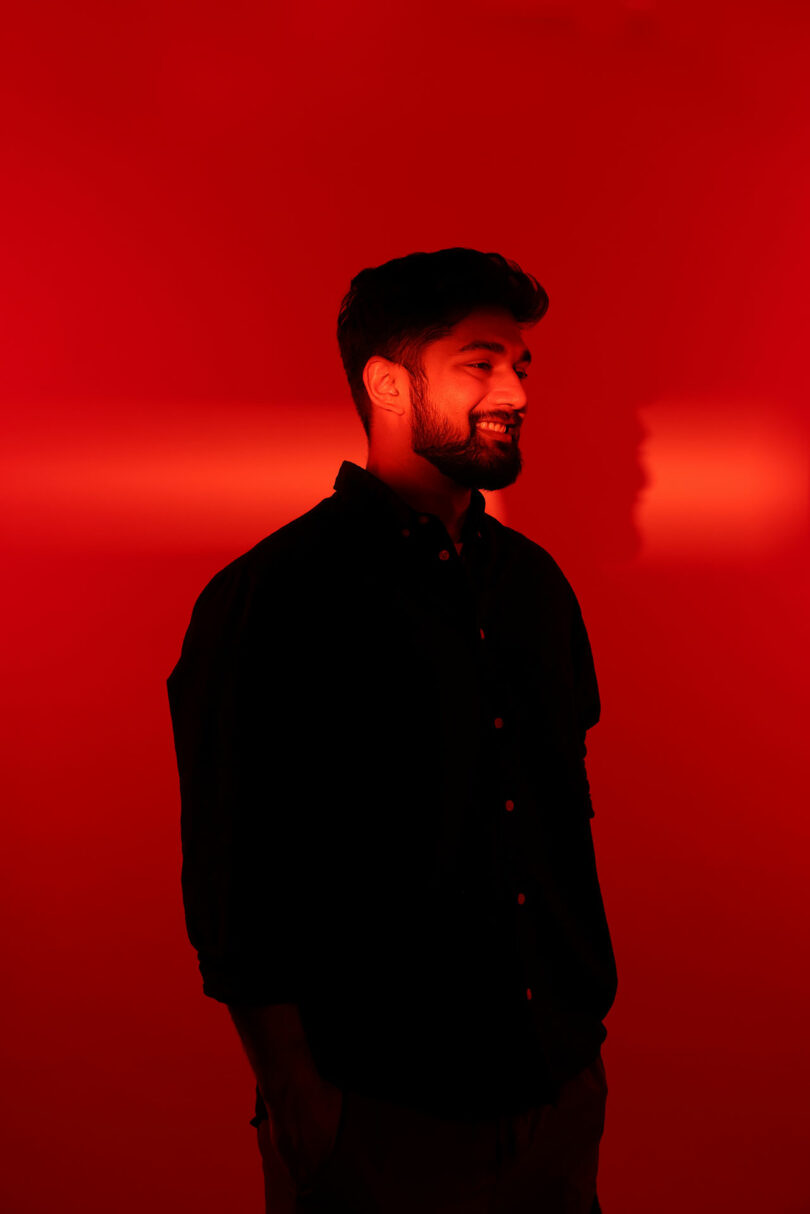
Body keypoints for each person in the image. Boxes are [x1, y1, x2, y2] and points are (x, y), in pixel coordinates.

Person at [167, 247, 618, 1213]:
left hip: (556, 1104)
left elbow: (552, 823)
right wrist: (299, 1094)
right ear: (386, 382)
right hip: (378, 1125)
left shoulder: (536, 587)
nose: (516, 392)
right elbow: (231, 871)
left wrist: (579, 1058)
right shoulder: (272, 599)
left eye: (521, 367)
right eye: (481, 363)